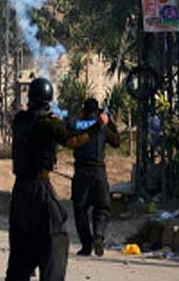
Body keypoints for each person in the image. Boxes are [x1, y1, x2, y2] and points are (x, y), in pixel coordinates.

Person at [5, 78, 108, 281]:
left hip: (19, 192)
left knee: (21, 242)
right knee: (56, 237)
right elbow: (73, 140)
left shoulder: (19, 121)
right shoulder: (48, 124)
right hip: (40, 187)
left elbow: (34, 121)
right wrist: (98, 125)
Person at [70, 98, 120, 257]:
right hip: (98, 171)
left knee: (80, 208)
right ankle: (98, 238)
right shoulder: (102, 126)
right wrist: (108, 121)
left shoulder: (77, 124)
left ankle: (86, 245)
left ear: (83, 110)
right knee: (102, 207)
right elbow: (117, 142)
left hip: (80, 171)